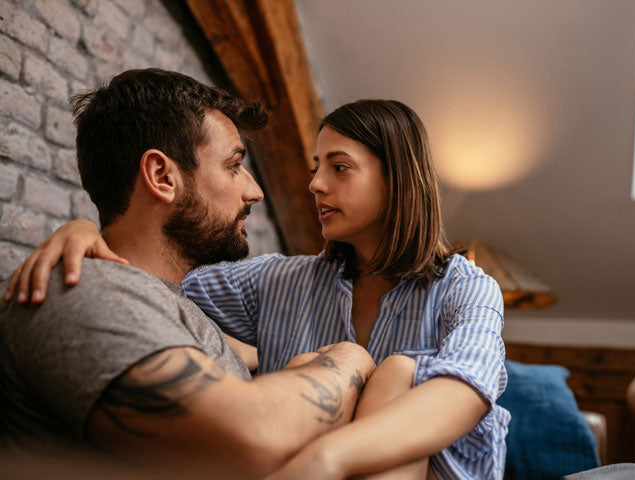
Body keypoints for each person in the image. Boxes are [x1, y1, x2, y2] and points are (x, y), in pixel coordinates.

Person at [9, 99, 511, 479]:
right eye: (315, 167)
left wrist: (326, 457)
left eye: (338, 167)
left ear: (398, 179)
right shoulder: (277, 281)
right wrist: (83, 231)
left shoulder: (466, 289)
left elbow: (467, 388)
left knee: (403, 370)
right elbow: (149, 272)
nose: (314, 184)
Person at [0, 68, 380, 479]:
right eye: (234, 166)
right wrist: (351, 357)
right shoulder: (83, 290)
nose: (254, 191)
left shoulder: (169, 304)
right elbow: (250, 436)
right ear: (163, 177)